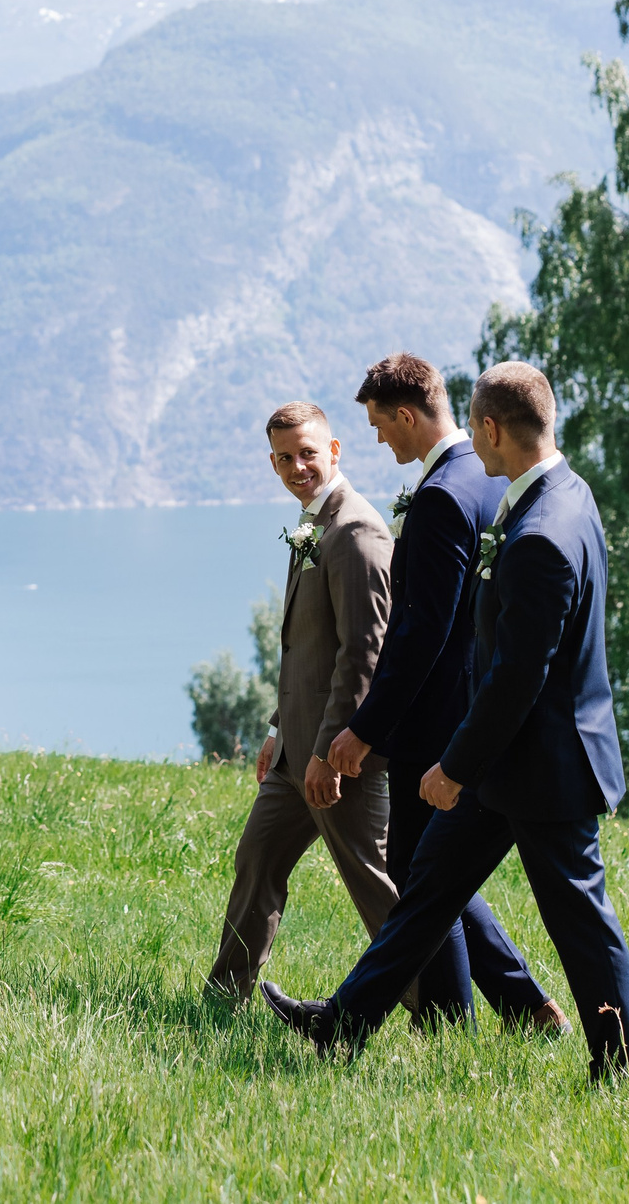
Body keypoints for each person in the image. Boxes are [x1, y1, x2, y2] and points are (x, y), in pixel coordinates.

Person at [261, 361, 629, 1081]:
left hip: (546, 768)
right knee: (428, 890)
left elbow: (517, 679)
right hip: (510, 762)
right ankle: (341, 1025)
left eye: (474, 426)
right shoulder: (567, 493)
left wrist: (454, 766)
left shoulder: (540, 535)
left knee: (583, 925)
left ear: (492, 428)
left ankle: (621, 1074)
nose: (469, 439)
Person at [328, 353, 565, 1034]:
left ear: (407, 415)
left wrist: (365, 728)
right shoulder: (487, 479)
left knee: (420, 869)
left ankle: (447, 1020)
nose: (380, 439)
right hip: (475, 709)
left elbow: (420, 632)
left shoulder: (439, 496)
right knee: (438, 868)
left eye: (380, 425)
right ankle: (524, 1007)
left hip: (436, 719)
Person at [204, 401, 406, 1000]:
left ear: (335, 451)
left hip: (338, 755)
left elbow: (363, 655)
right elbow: (306, 648)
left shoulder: (357, 531)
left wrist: (326, 754)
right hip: (295, 751)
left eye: (308, 453)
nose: (298, 467)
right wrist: (277, 731)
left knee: (375, 886)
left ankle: (438, 1009)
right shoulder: (314, 524)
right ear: (272, 462)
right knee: (257, 861)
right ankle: (225, 996)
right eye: (284, 458)